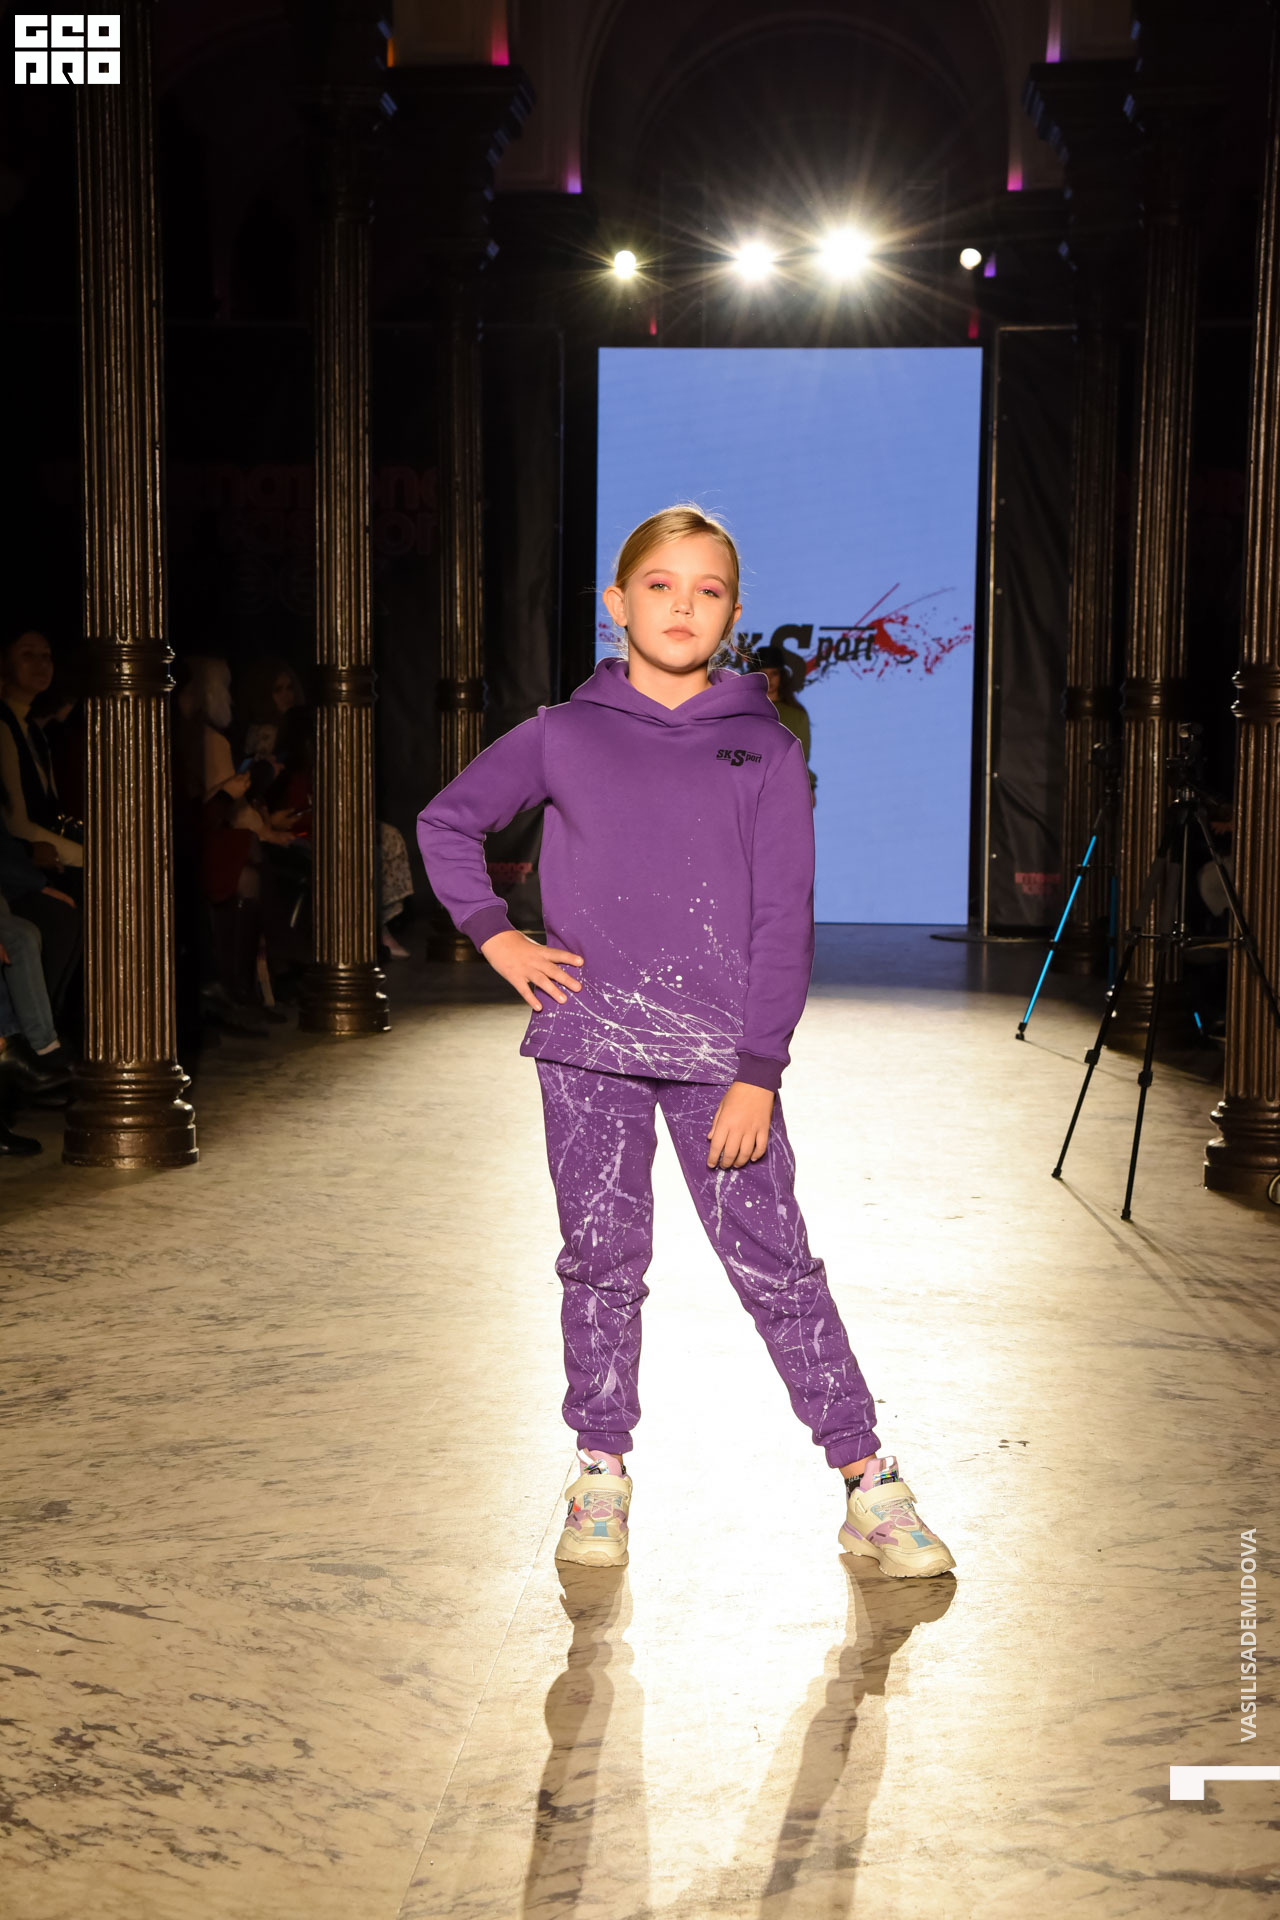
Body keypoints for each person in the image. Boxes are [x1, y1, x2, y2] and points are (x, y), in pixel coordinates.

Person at [417, 503, 955, 1581]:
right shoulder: (561, 733)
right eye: (659, 586)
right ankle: (599, 1472)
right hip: (586, 1045)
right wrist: (497, 936)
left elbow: (782, 919)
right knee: (600, 1261)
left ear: (733, 615)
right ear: (615, 603)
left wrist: (759, 1071)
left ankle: (867, 1483)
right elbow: (447, 824)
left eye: (706, 591)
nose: (681, 606)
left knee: (776, 1266)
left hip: (720, 1062)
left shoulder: (764, 748)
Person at [0, 631, 84, 891]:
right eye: (28, 655)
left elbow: (51, 812)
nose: (41, 664)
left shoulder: (33, 731)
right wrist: (89, 857)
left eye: (46, 656)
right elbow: (15, 825)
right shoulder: (4, 726)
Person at [751, 642, 817, 803]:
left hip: (784, 790)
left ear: (781, 676)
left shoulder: (796, 715)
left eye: (774, 673)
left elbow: (801, 758)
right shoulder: (741, 711)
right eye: (763, 673)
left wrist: (809, 787)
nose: (769, 679)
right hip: (748, 790)